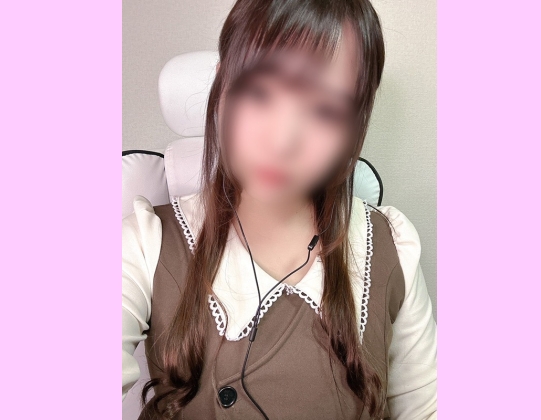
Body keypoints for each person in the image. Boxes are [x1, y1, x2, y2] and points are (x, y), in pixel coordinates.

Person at [122, 0, 437, 419]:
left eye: (325, 111)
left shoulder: (392, 245)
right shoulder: (145, 243)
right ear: (221, 86)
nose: (282, 140)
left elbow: (424, 407)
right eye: (259, 93)